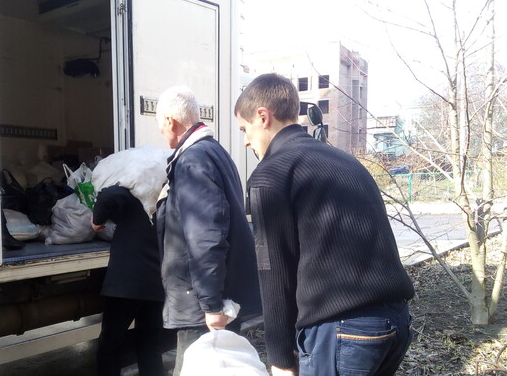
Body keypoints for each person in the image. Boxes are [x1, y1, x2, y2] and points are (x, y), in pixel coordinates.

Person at [234, 73, 415, 376]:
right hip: (394, 322)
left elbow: (273, 271)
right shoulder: (343, 160)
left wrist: (280, 358)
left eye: (244, 128)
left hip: (343, 332)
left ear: (263, 117)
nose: (245, 140)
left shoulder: (271, 173)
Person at [154, 85, 261, 376]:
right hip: (213, 298)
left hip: (201, 306)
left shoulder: (192, 160)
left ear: (170, 121)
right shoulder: (215, 152)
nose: (161, 132)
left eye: (160, 125)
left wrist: (211, 305)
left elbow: (206, 236)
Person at [92, 185, 165, 376]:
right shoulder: (166, 192)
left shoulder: (133, 190)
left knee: (110, 345)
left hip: (125, 284)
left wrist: (97, 221)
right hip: (156, 280)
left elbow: (107, 195)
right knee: (149, 345)